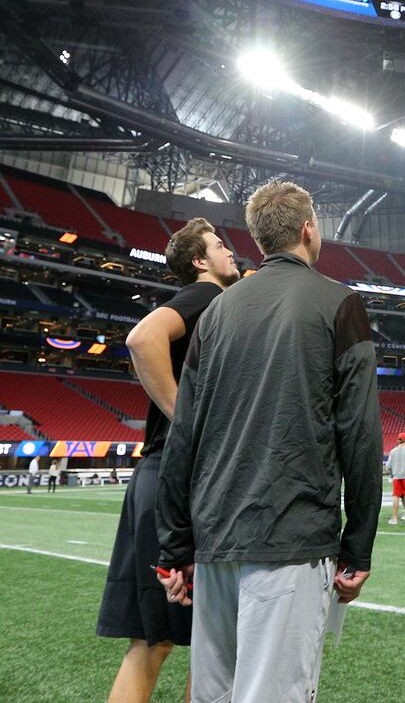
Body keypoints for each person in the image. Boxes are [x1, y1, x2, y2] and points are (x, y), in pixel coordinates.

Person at [156, 180, 382, 703]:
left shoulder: (214, 314)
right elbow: (360, 437)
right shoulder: (339, 303)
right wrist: (358, 547)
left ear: (260, 241)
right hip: (290, 541)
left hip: (214, 545)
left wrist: (175, 547)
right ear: (308, 230)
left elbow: (182, 437)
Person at [97, 217, 240, 703]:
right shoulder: (208, 297)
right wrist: (186, 419)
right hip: (177, 482)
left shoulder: (219, 303)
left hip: (161, 478)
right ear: (200, 262)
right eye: (220, 246)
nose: (231, 253)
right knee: (190, 640)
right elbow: (141, 338)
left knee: (169, 640)